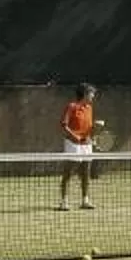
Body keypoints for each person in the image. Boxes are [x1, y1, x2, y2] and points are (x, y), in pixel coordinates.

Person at [56, 83, 97, 211]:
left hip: (86, 144)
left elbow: (88, 128)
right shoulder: (72, 106)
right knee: (68, 173)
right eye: (91, 93)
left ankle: (85, 200)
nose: (93, 96)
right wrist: (74, 136)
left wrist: (93, 136)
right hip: (72, 144)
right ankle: (64, 202)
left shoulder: (89, 108)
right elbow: (64, 124)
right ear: (85, 94)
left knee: (86, 173)